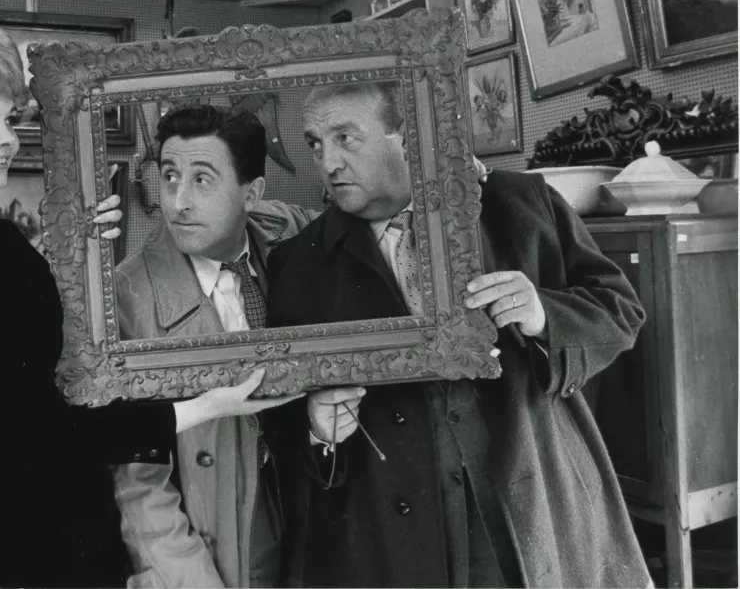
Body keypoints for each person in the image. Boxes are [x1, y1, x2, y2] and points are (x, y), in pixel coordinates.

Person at [0, 16, 296, 589]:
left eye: (9, 118)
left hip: (47, 534)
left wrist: (71, 244)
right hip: (9, 556)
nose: (8, 138)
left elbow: (13, 326)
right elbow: (32, 432)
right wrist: (202, 407)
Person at [262, 82, 650, 587]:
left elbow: (621, 310)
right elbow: (281, 410)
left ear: (406, 136)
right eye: (315, 144)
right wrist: (316, 426)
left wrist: (544, 314)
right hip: (389, 532)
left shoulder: (519, 203)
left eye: (345, 138)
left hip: (534, 503)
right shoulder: (298, 262)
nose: (328, 163)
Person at [112, 105, 318, 588]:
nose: (178, 202)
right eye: (169, 176)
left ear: (253, 194)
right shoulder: (127, 295)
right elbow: (138, 482)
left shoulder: (286, 230)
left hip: (308, 503)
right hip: (217, 530)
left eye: (202, 180)